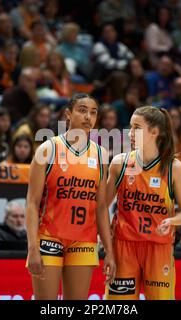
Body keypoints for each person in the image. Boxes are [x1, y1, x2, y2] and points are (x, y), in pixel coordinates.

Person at [26, 93, 115, 300]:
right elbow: (32, 203)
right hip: (49, 237)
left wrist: (109, 251)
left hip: (84, 239)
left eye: (93, 112)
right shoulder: (47, 149)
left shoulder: (101, 154)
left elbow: (101, 207)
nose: (88, 117)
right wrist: (32, 248)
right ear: (68, 114)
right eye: (82, 110)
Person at [104, 106, 181, 300]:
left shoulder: (175, 168)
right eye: (130, 127)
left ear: (155, 132)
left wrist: (170, 221)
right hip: (124, 246)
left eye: (137, 128)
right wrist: (104, 238)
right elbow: (102, 206)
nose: (131, 133)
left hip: (159, 247)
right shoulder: (120, 163)